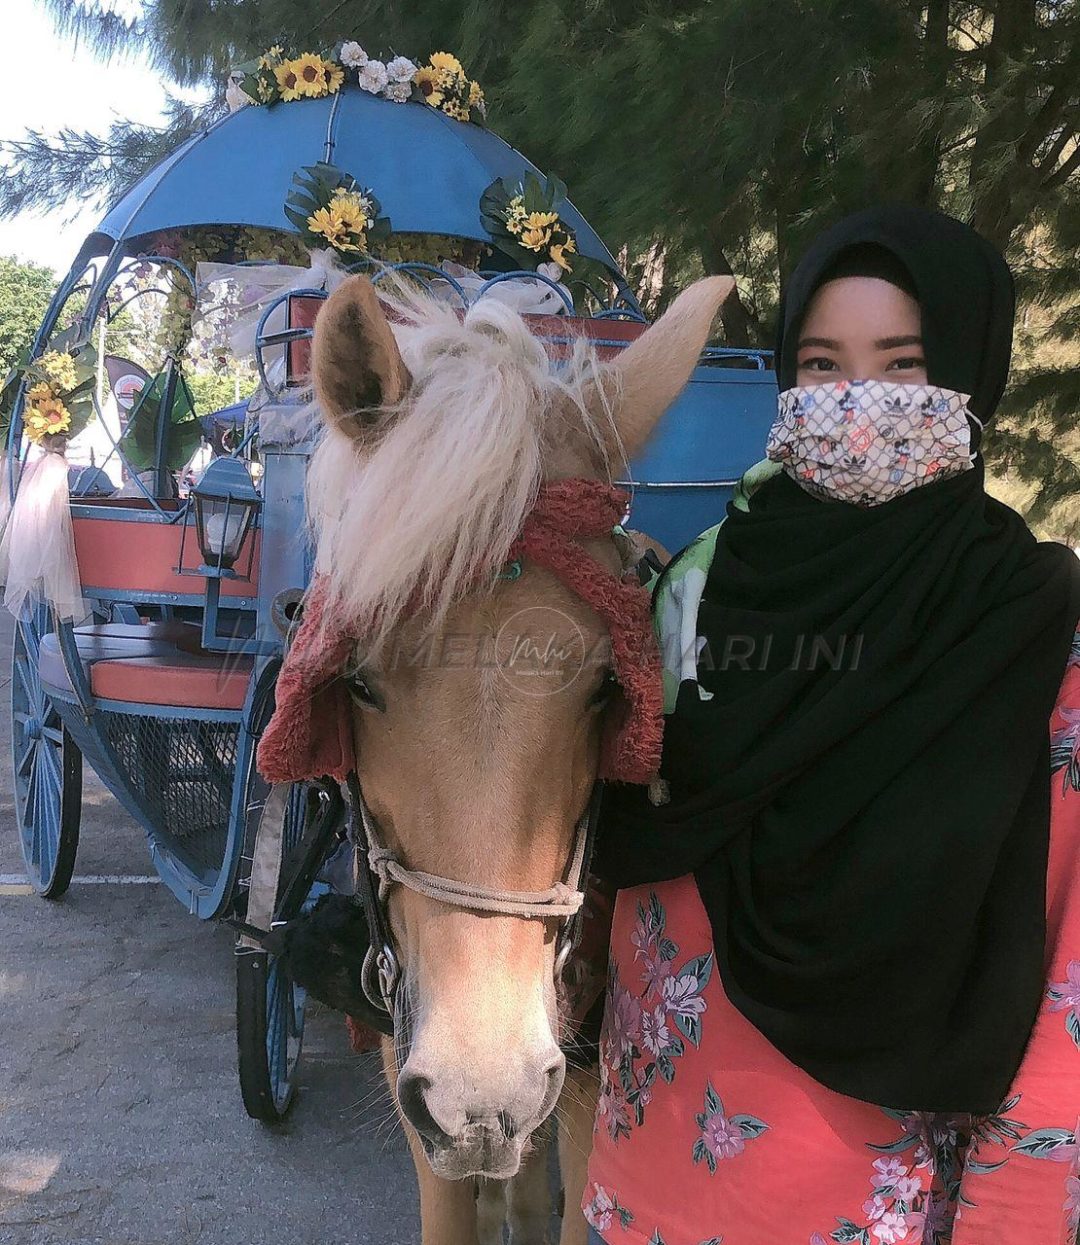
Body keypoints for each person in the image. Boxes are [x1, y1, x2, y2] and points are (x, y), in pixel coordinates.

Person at [581, 204, 1080, 1245]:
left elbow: (1067, 971)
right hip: (652, 1180)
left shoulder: (1031, 631)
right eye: (821, 365)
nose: (857, 403)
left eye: (905, 367)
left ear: (971, 378)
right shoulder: (702, 595)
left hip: (881, 1210)